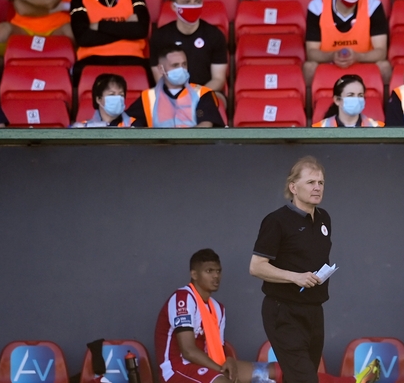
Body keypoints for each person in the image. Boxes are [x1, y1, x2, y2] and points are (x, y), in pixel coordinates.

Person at [156, 249, 380, 383]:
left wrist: (229, 362)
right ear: (194, 274)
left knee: (285, 372)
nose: (216, 276)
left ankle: (352, 381)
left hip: (213, 366)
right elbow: (188, 350)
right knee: (222, 381)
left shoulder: (217, 307)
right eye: (208, 271)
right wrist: (222, 368)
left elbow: (217, 349)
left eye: (218, 270)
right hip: (178, 369)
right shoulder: (183, 298)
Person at [250, 157, 337, 383]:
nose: (317, 187)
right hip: (284, 311)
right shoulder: (276, 221)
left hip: (314, 311)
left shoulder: (324, 218)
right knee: (306, 379)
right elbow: (256, 267)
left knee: (298, 377)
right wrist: (294, 277)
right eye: (310, 182)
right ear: (293, 187)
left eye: (321, 182)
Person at [303, 0, 391, 86]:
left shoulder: (372, 5)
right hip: (330, 62)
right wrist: (332, 56)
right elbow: (311, 52)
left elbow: (381, 52)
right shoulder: (318, 7)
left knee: (384, 66)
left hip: (363, 61)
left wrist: (357, 57)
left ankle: (385, 103)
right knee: (309, 67)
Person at [149, 0, 227, 103]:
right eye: (186, 2)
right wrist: (178, 95)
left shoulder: (215, 35)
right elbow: (159, 77)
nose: (192, 6)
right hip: (171, 93)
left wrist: (196, 94)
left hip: (205, 92)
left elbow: (218, 79)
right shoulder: (160, 36)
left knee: (214, 101)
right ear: (174, 6)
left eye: (196, 2)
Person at [125, 45, 224, 128]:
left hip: (194, 148)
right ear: (161, 69)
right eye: (175, 65)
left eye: (184, 64)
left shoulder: (201, 93)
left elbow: (206, 125)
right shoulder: (148, 97)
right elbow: (129, 124)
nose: (181, 69)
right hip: (159, 149)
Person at [312, 75, 384, 127]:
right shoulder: (320, 129)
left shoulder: (378, 128)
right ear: (337, 100)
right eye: (350, 95)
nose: (356, 99)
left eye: (360, 95)